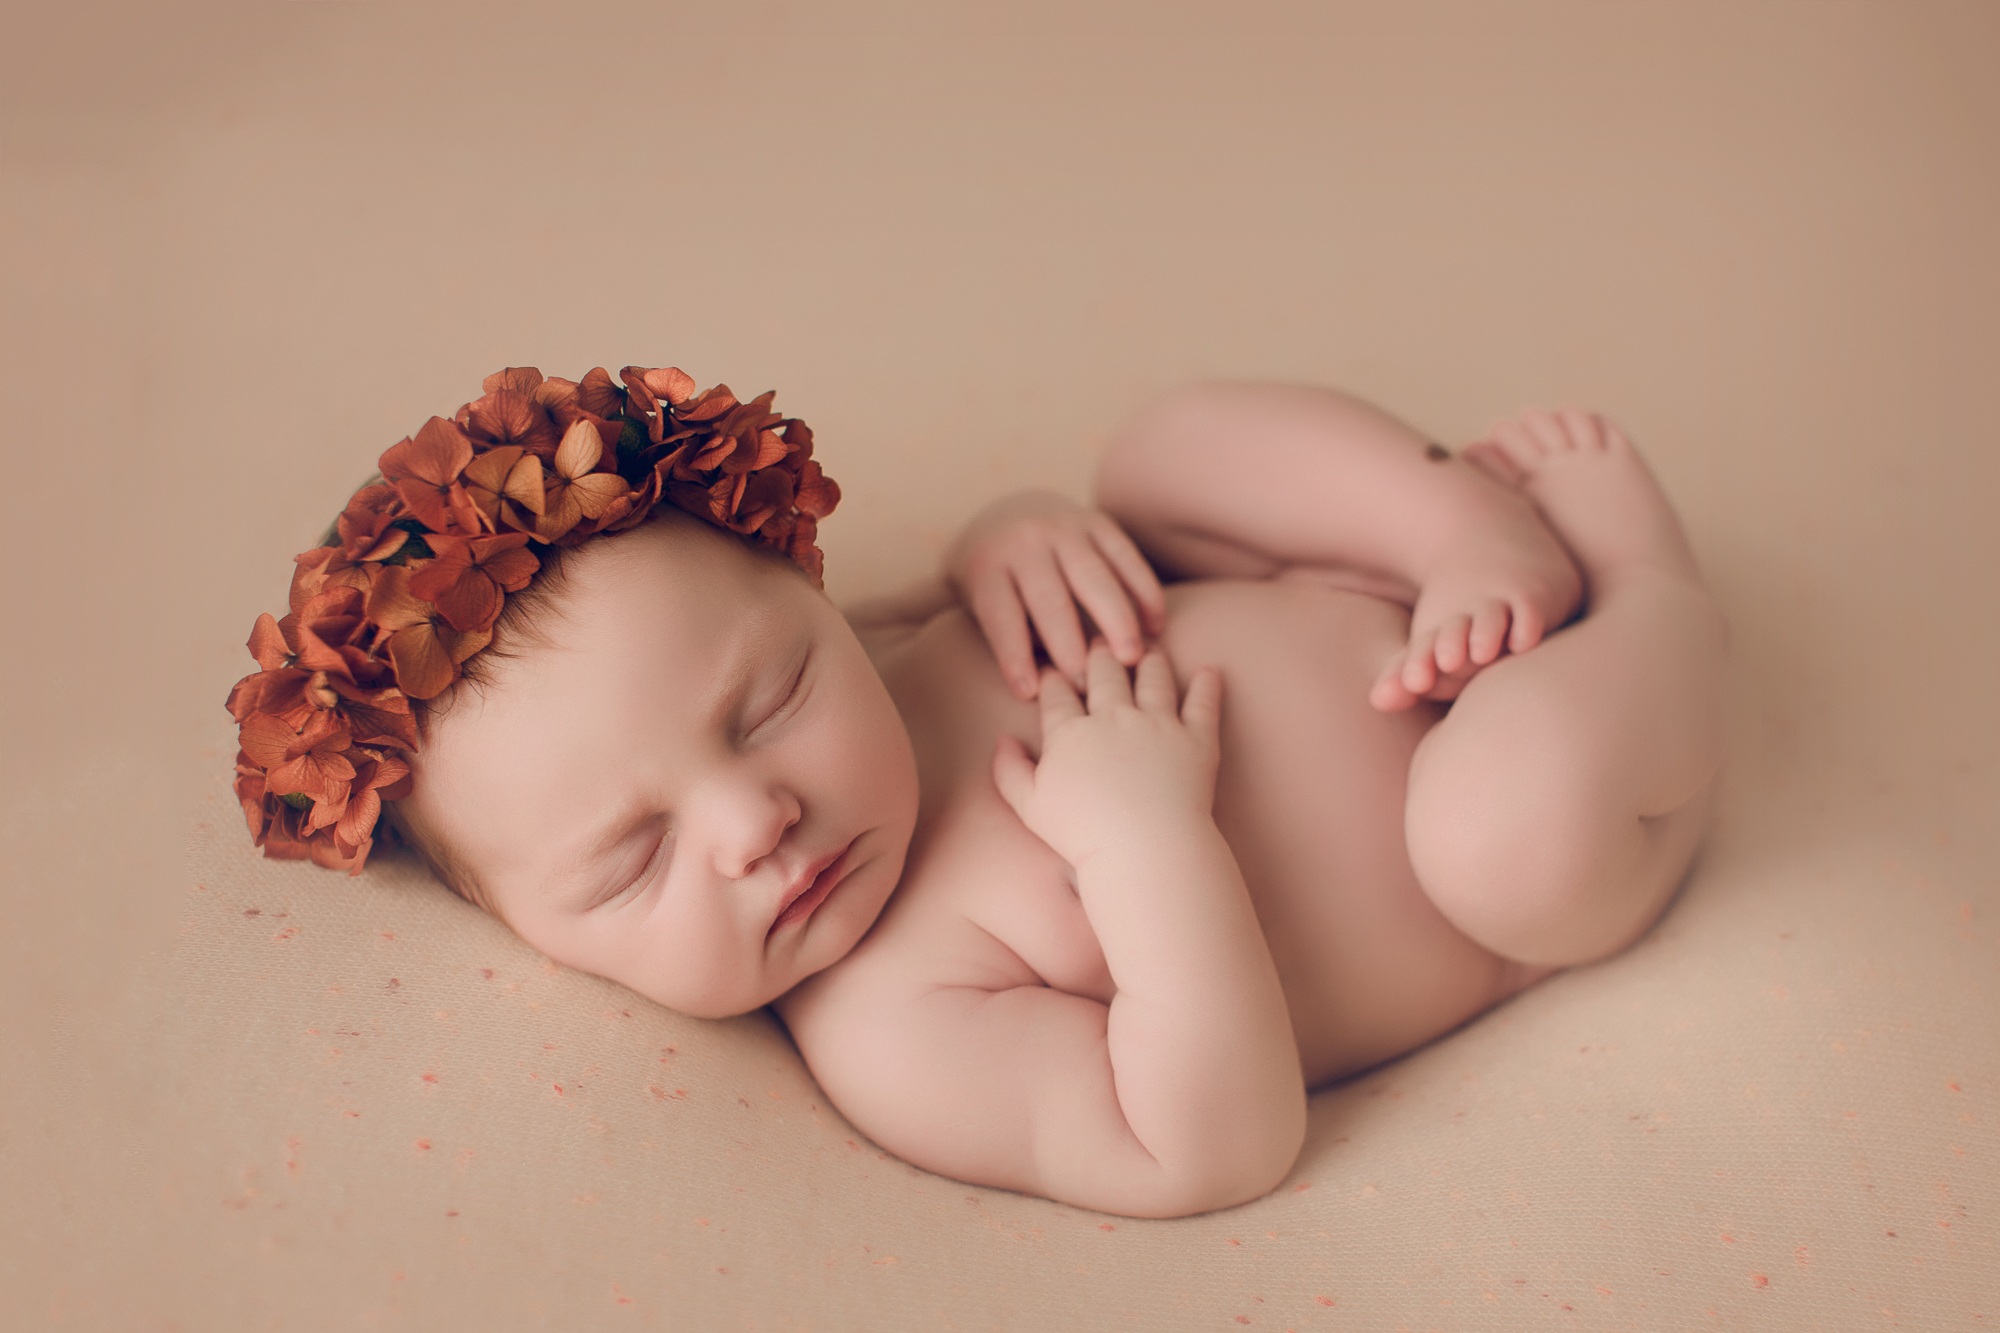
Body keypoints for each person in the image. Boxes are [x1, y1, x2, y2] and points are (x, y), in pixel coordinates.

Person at [228, 370, 1724, 1218]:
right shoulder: (896, 1030)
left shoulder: (869, 663)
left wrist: (1012, 538)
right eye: (633, 861)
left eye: (770, 700)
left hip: (1369, 598)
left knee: (1149, 453)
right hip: (1491, 846)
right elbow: (1207, 1141)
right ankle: (1647, 590)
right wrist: (1147, 839)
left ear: (806, 603)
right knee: (1507, 824)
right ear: (538, 938)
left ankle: (1458, 522)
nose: (756, 822)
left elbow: (939, 592)